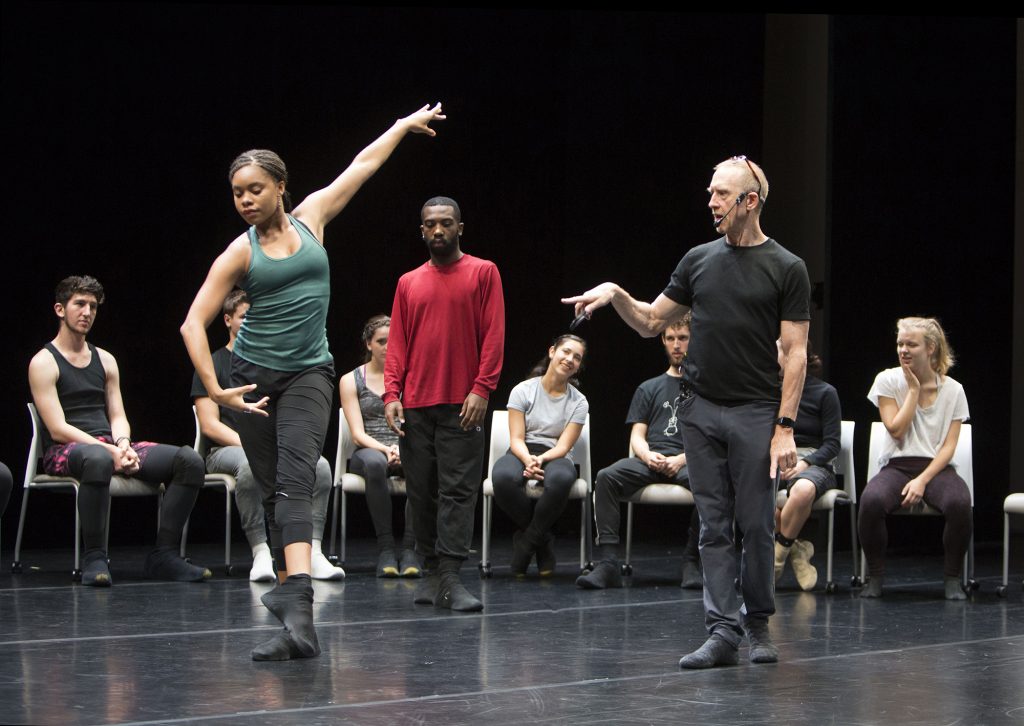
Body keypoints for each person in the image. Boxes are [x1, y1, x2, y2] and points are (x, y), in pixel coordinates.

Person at [180, 104, 445, 661]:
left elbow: (362, 166)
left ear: (280, 186)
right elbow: (192, 323)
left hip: (308, 372)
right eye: (237, 193)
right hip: (252, 381)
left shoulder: (311, 218)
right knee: (278, 488)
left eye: (255, 189)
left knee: (298, 481)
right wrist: (218, 387)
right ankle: (294, 613)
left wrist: (398, 127)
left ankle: (297, 607)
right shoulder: (239, 252)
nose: (246, 200)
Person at [563, 156, 810, 669]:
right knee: (713, 526)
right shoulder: (698, 259)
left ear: (749, 202)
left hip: (755, 411)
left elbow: (796, 353)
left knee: (756, 524)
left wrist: (784, 427)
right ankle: (722, 631)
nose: (711, 202)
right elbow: (653, 321)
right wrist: (615, 293)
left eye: (721, 194)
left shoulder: (786, 267)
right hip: (700, 410)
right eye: (710, 192)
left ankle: (758, 623)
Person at [29, 275, 211, 587]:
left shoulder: (106, 360)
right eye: (80, 304)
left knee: (189, 461)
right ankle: (95, 557)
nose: (87, 312)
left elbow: (117, 415)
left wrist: (123, 444)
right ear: (60, 309)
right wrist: (109, 451)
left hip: (107, 445)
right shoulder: (44, 362)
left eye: (93, 306)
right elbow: (58, 429)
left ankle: (164, 555)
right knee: (98, 459)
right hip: (65, 451)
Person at [384, 196, 505, 613]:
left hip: (462, 402)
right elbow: (397, 342)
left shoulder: (483, 272)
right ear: (421, 230)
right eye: (430, 224)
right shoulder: (408, 282)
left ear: (460, 227)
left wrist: (482, 388)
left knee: (458, 491)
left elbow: (493, 335)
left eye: (446, 223)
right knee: (421, 491)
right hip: (416, 402)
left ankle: (452, 576)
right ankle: (431, 569)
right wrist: (391, 394)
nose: (438, 230)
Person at [191, 289, 345, 582]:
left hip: (275, 442)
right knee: (252, 466)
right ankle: (261, 551)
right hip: (226, 449)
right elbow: (209, 425)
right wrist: (253, 445)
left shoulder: (273, 360)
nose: (252, 321)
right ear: (227, 320)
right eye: (244, 316)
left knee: (321, 467)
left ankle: (312, 550)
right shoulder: (214, 363)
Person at [576, 313, 703, 590]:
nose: (677, 345)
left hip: (688, 460)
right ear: (663, 341)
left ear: (693, 341)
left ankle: (692, 561)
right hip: (651, 459)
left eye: (683, 338)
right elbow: (637, 435)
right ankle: (609, 564)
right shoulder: (650, 387)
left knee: (716, 484)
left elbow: (710, 438)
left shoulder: (704, 387)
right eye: (671, 339)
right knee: (607, 477)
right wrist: (647, 456)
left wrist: (681, 458)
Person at [858, 317, 971, 600]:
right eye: (900, 343)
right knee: (871, 502)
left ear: (930, 348)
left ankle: (952, 578)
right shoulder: (887, 379)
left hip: (936, 468)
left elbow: (948, 447)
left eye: (911, 344)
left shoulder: (954, 390)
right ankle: (875, 576)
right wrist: (913, 390)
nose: (903, 350)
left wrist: (922, 480)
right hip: (897, 465)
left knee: (959, 503)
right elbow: (896, 430)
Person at [491, 334, 588, 577]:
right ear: (552, 351)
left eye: (577, 357)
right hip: (522, 449)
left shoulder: (579, 402)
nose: (570, 359)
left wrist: (542, 460)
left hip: (555, 454)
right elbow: (516, 439)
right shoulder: (523, 390)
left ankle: (525, 545)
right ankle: (542, 544)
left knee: (561, 480)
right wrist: (528, 460)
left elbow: (564, 447)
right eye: (566, 352)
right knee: (502, 477)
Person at [339, 314, 419, 578]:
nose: (387, 346)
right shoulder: (351, 380)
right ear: (368, 344)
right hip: (369, 449)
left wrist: (400, 449)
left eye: (392, 341)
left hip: (405, 446)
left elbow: (417, 425)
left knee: (422, 463)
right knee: (374, 464)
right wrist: (385, 450)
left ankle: (409, 549)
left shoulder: (410, 377)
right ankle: (385, 548)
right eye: (381, 341)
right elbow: (357, 434)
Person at [773, 344, 841, 592]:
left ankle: (777, 559)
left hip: (815, 462)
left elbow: (832, 444)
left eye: (778, 350)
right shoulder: (770, 392)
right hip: (776, 460)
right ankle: (796, 548)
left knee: (802, 490)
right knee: (747, 489)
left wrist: (804, 464)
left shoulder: (825, 392)